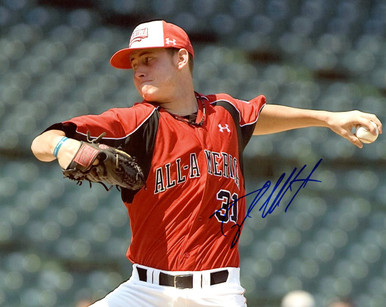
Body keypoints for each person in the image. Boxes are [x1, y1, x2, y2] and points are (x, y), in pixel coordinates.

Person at [31, 20, 382, 307]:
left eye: (148, 59)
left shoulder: (225, 111)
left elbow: (259, 116)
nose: (138, 71)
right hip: (145, 291)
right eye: (134, 65)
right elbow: (41, 142)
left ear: (181, 58)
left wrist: (328, 118)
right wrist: (63, 146)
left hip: (218, 294)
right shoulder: (134, 120)